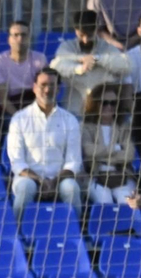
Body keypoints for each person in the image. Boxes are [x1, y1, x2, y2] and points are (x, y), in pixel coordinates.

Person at [6, 68, 84, 225]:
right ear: (34, 87)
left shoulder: (70, 120)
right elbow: (17, 162)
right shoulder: (19, 119)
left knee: (71, 189)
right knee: (26, 188)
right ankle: (17, 233)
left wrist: (54, 182)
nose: (48, 90)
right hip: (28, 178)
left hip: (60, 179)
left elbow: (73, 161)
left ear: (59, 89)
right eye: (43, 85)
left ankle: (76, 232)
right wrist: (40, 180)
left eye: (52, 85)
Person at [51, 10, 132, 118]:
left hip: (104, 111)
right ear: (75, 31)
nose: (85, 40)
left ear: (96, 30)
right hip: (75, 112)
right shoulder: (67, 47)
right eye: (81, 35)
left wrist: (97, 59)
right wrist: (80, 67)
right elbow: (55, 66)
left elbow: (126, 66)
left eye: (89, 35)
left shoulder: (106, 47)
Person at [82, 86, 136, 206]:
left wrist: (101, 157)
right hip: (95, 177)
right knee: (105, 202)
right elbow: (89, 150)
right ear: (96, 104)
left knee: (127, 203)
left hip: (121, 176)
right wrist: (117, 148)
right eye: (104, 103)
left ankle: (127, 226)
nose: (109, 107)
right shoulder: (86, 127)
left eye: (113, 103)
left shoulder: (123, 127)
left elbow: (129, 155)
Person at [0, 20, 47, 117]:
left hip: (34, 105)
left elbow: (43, 91)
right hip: (10, 108)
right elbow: (2, 98)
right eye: (16, 35)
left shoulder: (40, 59)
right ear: (9, 39)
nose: (20, 39)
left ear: (29, 38)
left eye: (24, 35)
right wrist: (19, 118)